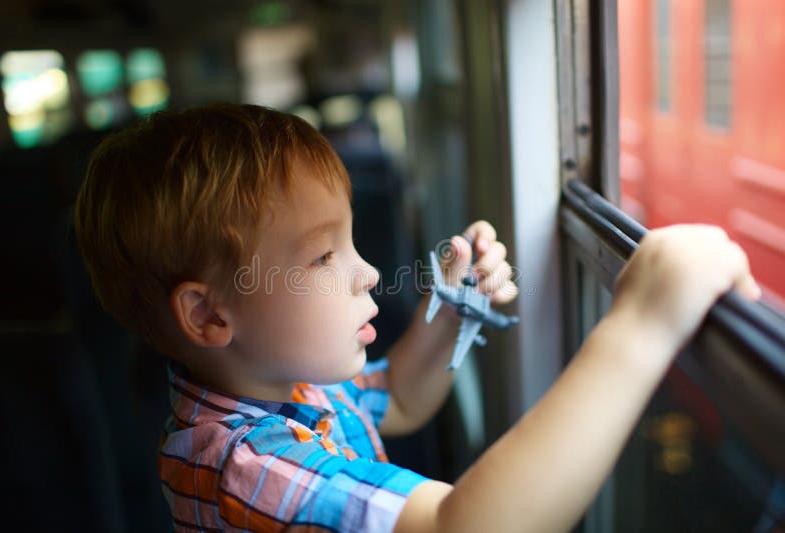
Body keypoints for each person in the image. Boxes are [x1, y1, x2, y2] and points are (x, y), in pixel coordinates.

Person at [74, 103, 760, 533]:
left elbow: (397, 396)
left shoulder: (282, 388)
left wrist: (452, 305)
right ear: (209, 314)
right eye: (322, 257)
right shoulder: (243, 465)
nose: (370, 272)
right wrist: (640, 323)